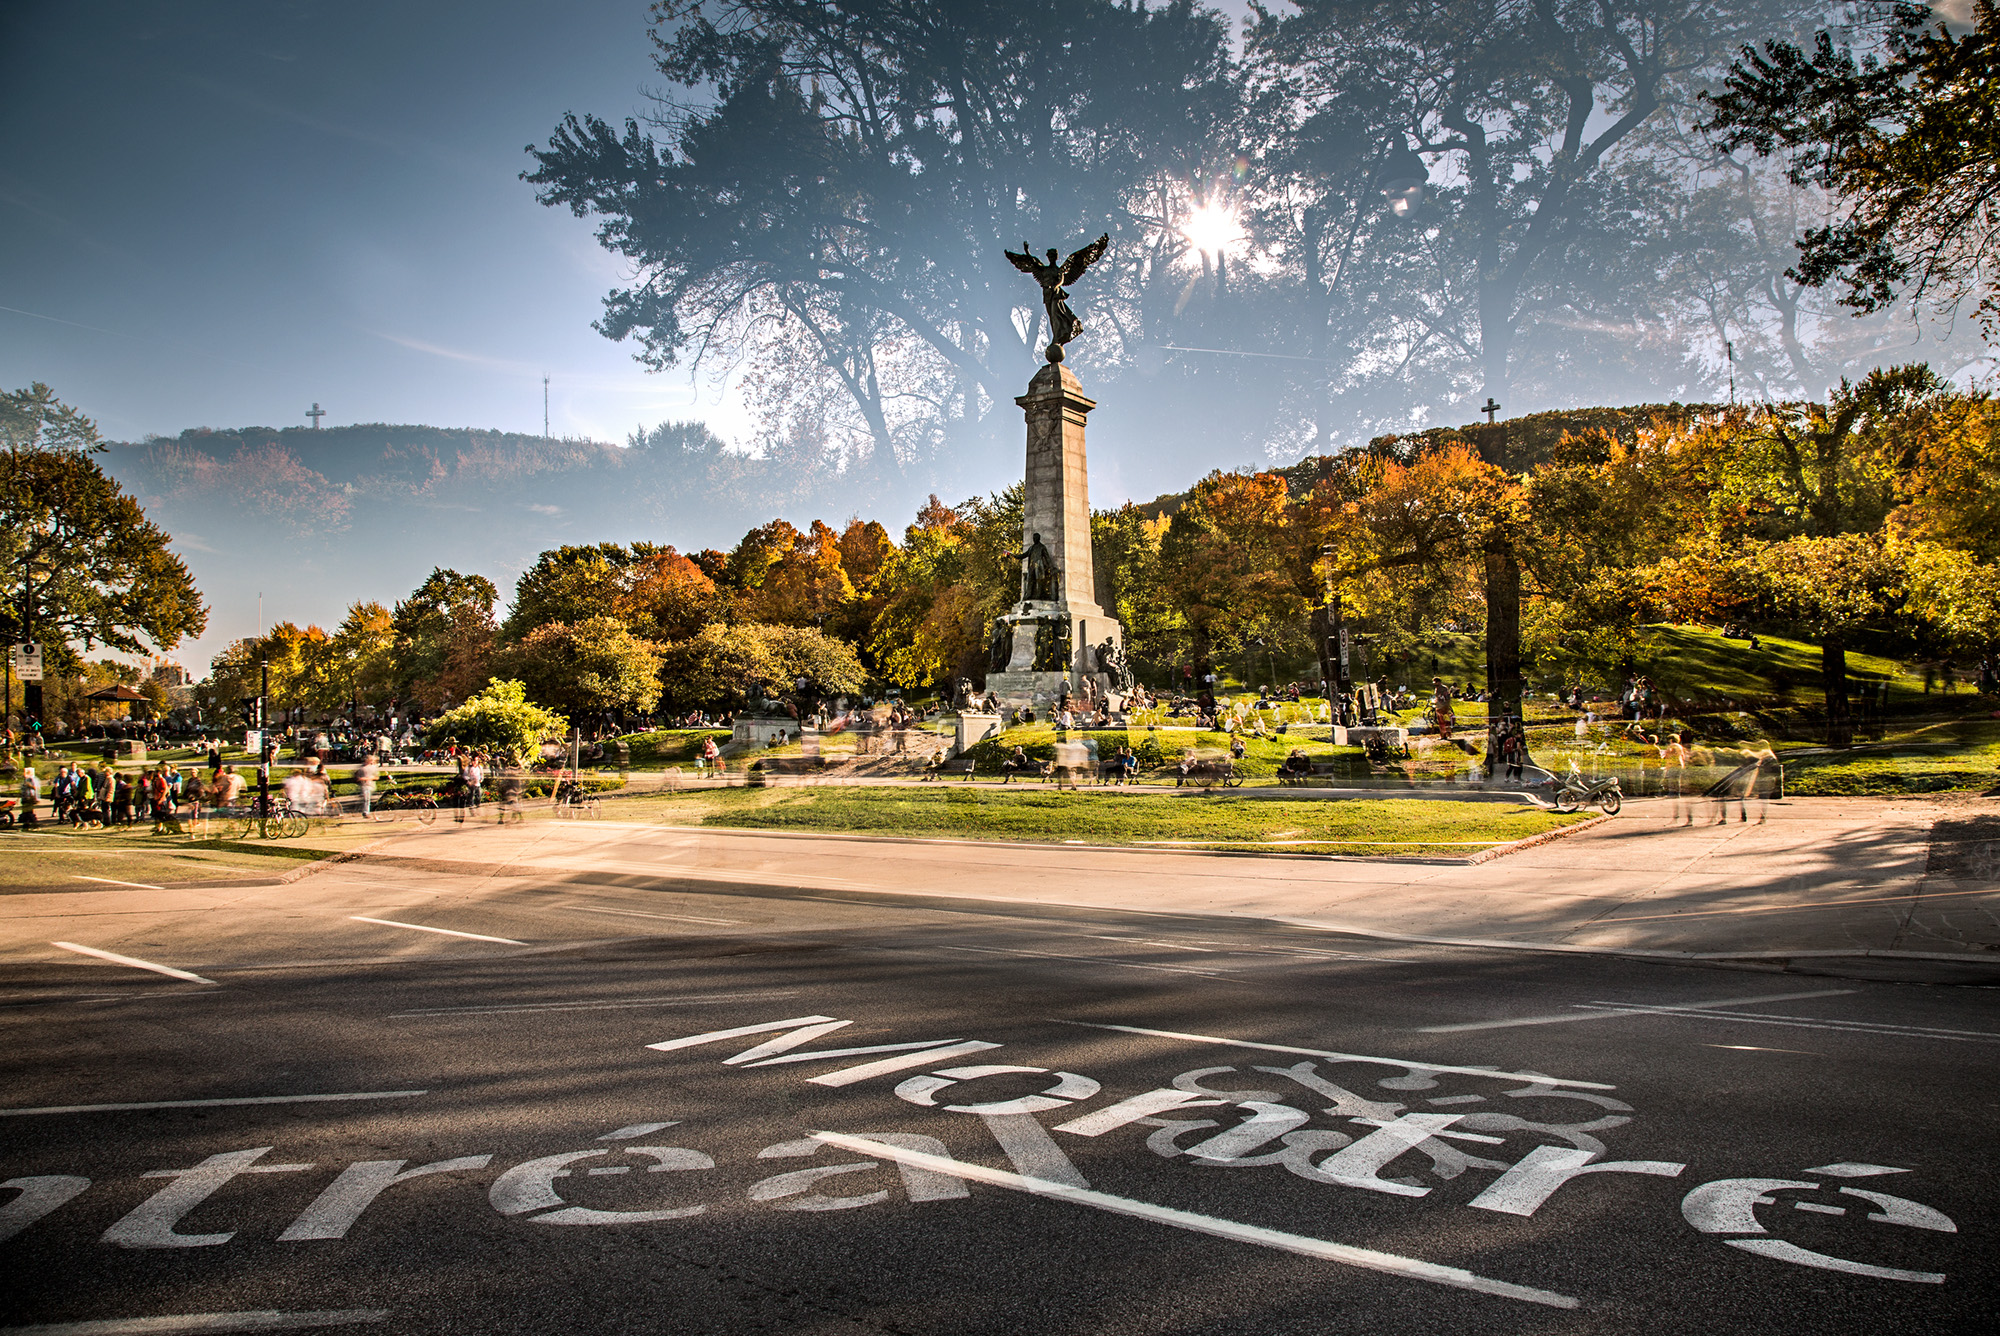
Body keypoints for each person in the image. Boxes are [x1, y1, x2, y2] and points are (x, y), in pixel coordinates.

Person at [358, 753, 380, 821]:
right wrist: (365, 778)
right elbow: (358, 778)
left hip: (370, 785)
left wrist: (371, 777)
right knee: (366, 799)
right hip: (365, 785)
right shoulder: (362, 768)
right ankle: (366, 812)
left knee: (367, 799)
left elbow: (377, 777)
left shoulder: (373, 768)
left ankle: (365, 810)